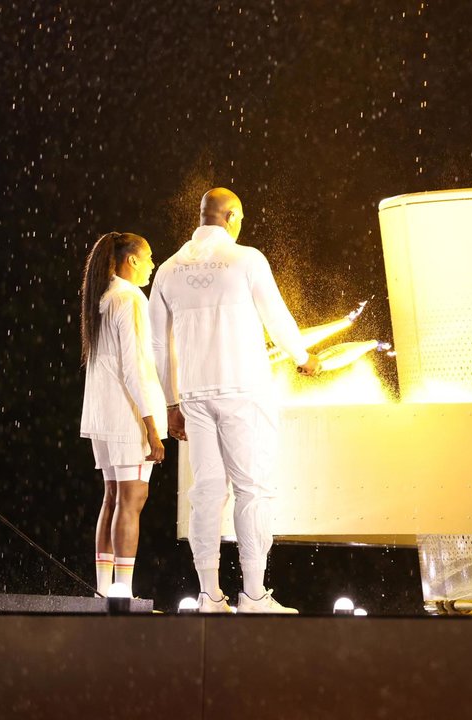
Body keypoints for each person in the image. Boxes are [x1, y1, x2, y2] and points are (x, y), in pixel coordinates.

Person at [149, 188, 319, 614]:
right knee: (253, 491)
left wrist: (171, 403)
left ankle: (209, 595)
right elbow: (275, 315)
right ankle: (255, 595)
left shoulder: (168, 270)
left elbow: (156, 344)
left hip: (194, 395)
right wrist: (302, 356)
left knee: (206, 493)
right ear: (233, 216)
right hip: (243, 390)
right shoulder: (247, 259)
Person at [80, 232, 167, 599]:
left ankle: (104, 592)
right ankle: (123, 593)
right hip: (128, 416)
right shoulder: (130, 299)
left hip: (102, 415)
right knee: (131, 500)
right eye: (148, 258)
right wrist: (151, 426)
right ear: (131, 260)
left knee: (113, 497)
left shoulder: (101, 298)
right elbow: (134, 368)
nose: (151, 265)